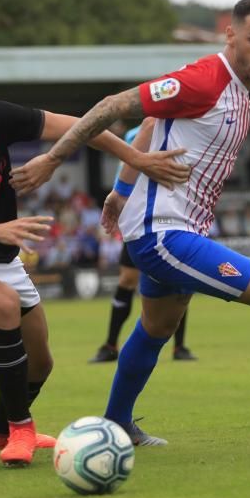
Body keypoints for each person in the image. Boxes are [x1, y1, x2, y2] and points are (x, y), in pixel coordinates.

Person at [11, 0, 250, 446]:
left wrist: (120, 194)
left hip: (174, 229)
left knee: (157, 327)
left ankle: (116, 422)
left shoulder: (237, 93)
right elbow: (111, 106)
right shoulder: (204, 80)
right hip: (164, 233)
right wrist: (52, 158)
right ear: (231, 35)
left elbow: (146, 128)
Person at [0, 55, 188, 467]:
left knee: (41, 362)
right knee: (2, 306)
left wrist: (137, 159)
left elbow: (81, 127)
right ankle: (22, 429)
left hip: (2, 262)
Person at [90, 120, 197, 363]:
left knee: (178, 279)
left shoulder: (184, 130)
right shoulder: (136, 133)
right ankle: (110, 345)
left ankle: (179, 347)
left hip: (172, 215)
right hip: (140, 218)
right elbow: (126, 169)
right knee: (127, 280)